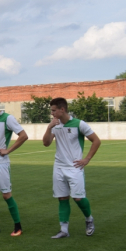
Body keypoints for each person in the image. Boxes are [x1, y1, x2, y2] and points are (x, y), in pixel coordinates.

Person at [43, 97, 100, 238]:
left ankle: (89, 219)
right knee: (62, 198)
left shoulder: (79, 124)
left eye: (54, 110)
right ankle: (64, 230)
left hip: (75, 167)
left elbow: (96, 141)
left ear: (62, 109)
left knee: (78, 198)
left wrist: (87, 159)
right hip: (59, 167)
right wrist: (49, 127)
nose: (52, 113)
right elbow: (46, 143)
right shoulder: (55, 125)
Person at [0, 94, 29, 236]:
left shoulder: (8, 118)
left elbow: (23, 135)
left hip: (1, 163)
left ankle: (18, 227)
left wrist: (8, 150)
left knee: (6, 195)